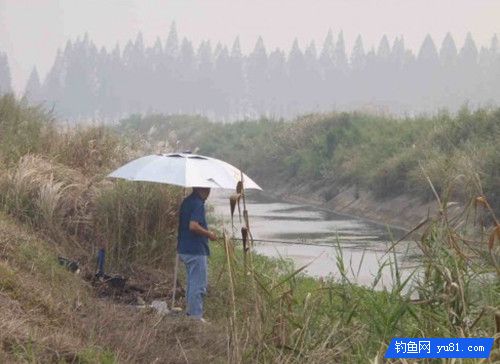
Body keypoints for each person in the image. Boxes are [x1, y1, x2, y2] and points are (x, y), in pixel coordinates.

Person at [177, 187, 217, 321]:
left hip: (184, 249)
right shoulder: (198, 203)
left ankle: (190, 314)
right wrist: (209, 234)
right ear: (202, 189)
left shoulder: (187, 201)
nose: (209, 192)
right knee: (198, 285)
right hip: (195, 251)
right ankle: (195, 317)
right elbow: (193, 226)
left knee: (191, 283)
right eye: (208, 189)